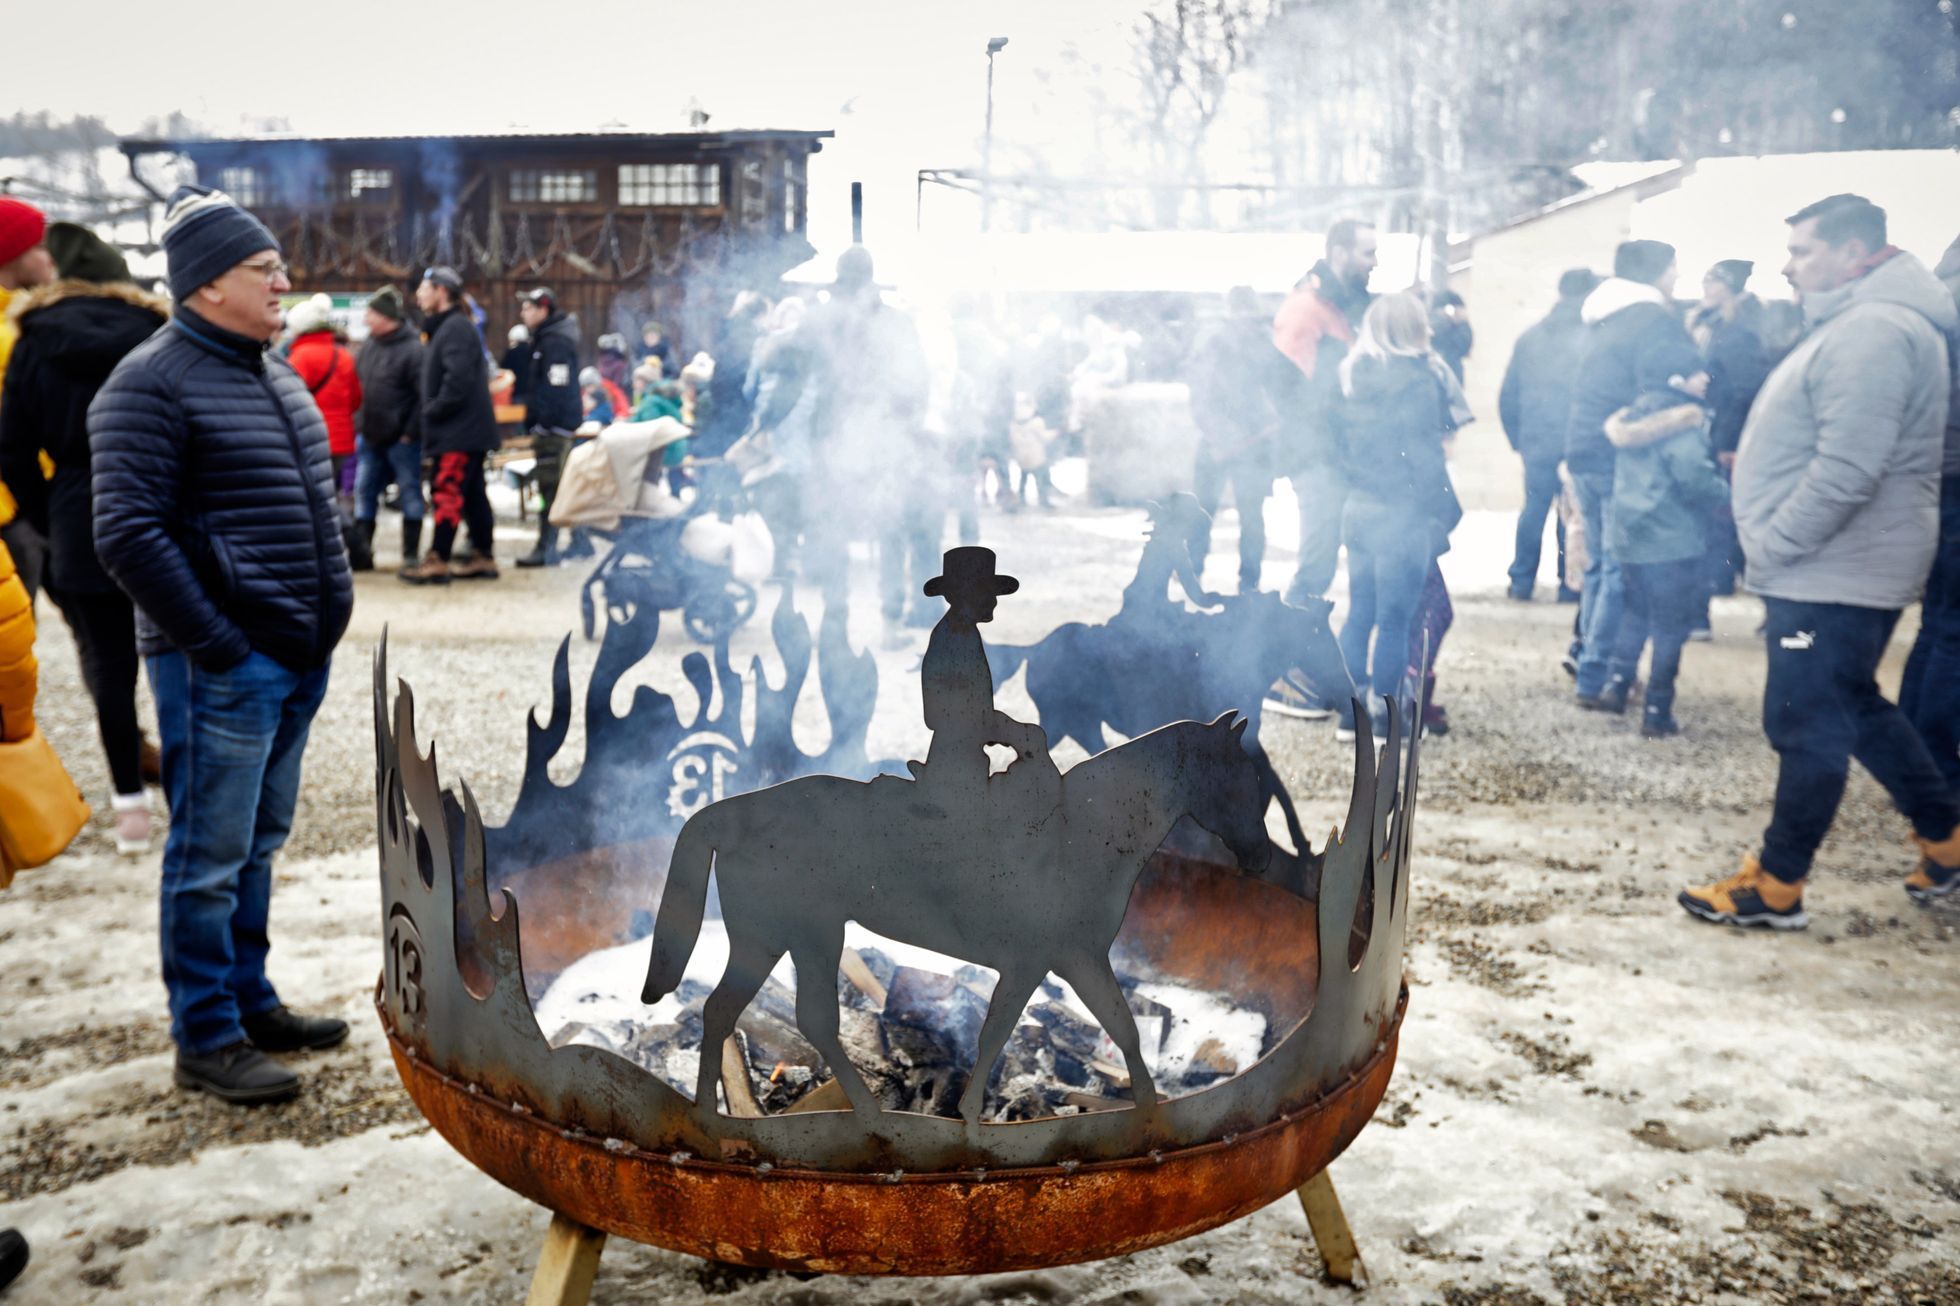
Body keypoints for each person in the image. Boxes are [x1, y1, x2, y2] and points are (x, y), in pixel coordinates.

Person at [90, 184, 354, 1102]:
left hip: (292, 657)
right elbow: (125, 532)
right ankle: (204, 1035)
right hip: (223, 666)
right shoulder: (148, 382)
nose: (285, 281)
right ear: (206, 285)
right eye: (263, 268)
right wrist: (217, 644)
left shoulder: (271, 371)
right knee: (206, 855)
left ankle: (248, 999)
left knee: (257, 841)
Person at [1680, 194, 1960, 929]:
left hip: (1834, 565)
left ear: (1853, 252)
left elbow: (1849, 466)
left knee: (1807, 720)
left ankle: (1777, 883)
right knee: (1853, 707)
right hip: (1835, 564)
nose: (1787, 266)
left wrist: (1773, 541)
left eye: (1803, 251)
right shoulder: (1864, 322)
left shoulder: (1877, 330)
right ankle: (1949, 835)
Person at [0, 223, 169, 854]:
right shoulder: (156, 333)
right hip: (154, 509)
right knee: (177, 658)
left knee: (108, 667)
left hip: (76, 516)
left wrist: (48, 518)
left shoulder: (33, 340)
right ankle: (190, 792)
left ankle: (129, 810)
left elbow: (13, 449)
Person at [1565, 239, 1695, 710]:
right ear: (1655, 272)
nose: (1677, 278)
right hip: (1617, 455)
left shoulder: (1602, 318)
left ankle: (1589, 670)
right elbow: (1661, 391)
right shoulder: (1654, 320)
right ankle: (1598, 679)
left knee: (1601, 567)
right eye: (1674, 268)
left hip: (1583, 449)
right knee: (1618, 570)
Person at [1329, 292, 1460, 743]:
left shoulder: (1352, 374)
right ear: (1415, 329)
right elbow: (1425, 456)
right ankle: (1386, 721)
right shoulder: (1419, 381)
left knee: (1360, 613)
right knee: (1395, 621)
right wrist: (1445, 508)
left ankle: (1350, 717)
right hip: (1400, 513)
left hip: (1358, 507)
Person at [1595, 372, 1728, 737]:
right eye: (1697, 372)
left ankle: (1616, 686)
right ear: (1678, 379)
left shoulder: (1631, 421)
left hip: (1631, 538)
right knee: (1670, 626)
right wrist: (1728, 495)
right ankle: (1657, 709)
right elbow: (1696, 481)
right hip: (1671, 541)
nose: (1705, 379)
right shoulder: (1681, 427)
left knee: (1636, 611)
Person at [1271, 218, 1376, 606]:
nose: (1375, 262)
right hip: (1319, 457)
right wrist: (1324, 441)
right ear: (1338, 254)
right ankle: (1282, 653)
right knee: (1316, 567)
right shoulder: (1306, 309)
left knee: (1340, 565)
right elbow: (1285, 389)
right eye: (1368, 253)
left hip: (1344, 454)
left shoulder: (1346, 307)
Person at [1900, 232, 1960, 797]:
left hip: (1937, 471)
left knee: (1940, 623)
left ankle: (1917, 752)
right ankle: (1939, 770)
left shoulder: (1939, 294)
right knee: (1953, 630)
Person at [1500, 268, 1598, 602]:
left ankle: (1521, 581)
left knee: (1533, 509)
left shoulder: (1530, 337)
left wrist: (1519, 439)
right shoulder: (1592, 337)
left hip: (1537, 441)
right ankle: (1568, 585)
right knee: (1570, 512)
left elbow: (1507, 395)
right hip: (1576, 440)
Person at [401, 266, 499, 585]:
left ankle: (438, 559)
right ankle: (483, 556)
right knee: (472, 494)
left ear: (441, 291)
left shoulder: (455, 328)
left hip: (458, 430)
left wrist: (433, 410)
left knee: (447, 490)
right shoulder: (449, 327)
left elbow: (457, 380)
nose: (418, 294)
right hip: (463, 428)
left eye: (424, 288)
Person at [1689, 259, 1772, 633]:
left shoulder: (1741, 329)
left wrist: (1728, 440)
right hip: (1721, 433)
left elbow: (1741, 389)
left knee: (1721, 521)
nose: (1707, 286)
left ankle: (1712, 599)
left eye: (1714, 280)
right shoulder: (1717, 322)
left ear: (1732, 285)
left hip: (1728, 439)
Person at [1187, 286, 1285, 598]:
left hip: (1231, 440)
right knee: (1248, 517)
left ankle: (1197, 575)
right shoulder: (1262, 340)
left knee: (1210, 513)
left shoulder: (1216, 339)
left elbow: (1200, 394)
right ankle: (1247, 585)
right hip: (1246, 440)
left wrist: (1219, 437)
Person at [0, 196, 57, 600]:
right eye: (40, 245)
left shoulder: (22, 322)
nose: (50, 256)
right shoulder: (13, 334)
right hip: (17, 512)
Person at [284, 293, 364, 566]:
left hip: (310, 440)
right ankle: (349, 547)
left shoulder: (300, 357)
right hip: (342, 441)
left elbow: (288, 400)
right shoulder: (343, 356)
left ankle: (322, 553)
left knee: (313, 499)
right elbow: (356, 399)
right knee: (334, 495)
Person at [352, 284, 426, 571]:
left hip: (402, 440)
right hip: (369, 435)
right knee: (364, 490)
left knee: (409, 490)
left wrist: (410, 431)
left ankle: (410, 554)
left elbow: (423, 396)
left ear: (386, 316)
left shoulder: (413, 349)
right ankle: (362, 553)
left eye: (371, 313)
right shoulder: (369, 345)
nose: (366, 319)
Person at [514, 287, 584, 568]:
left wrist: (544, 423)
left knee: (550, 490)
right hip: (553, 426)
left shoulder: (554, 343)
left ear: (544, 310)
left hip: (553, 429)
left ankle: (547, 548)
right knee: (558, 487)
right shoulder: (547, 339)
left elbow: (557, 385)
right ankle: (580, 541)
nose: (523, 313)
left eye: (528, 308)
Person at [697, 291, 768, 459]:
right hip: (736, 397)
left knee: (721, 441)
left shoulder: (728, 328)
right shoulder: (749, 332)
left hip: (722, 391)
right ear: (759, 314)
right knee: (733, 445)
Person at [1429, 288, 1473, 382]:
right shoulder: (1442, 325)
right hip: (1446, 376)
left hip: (1448, 375)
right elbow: (1464, 345)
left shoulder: (1447, 325)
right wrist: (1461, 323)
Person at [499, 323, 533, 408]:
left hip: (516, 391)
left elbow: (504, 369)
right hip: (531, 391)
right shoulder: (533, 350)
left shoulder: (512, 352)